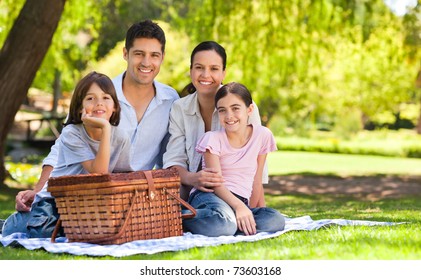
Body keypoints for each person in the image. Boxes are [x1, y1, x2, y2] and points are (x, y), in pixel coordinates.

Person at [12, 20, 179, 215]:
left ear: (162, 58)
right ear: (125, 54)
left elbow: (169, 156)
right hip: (87, 193)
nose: (146, 62)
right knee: (39, 225)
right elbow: (62, 145)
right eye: (139, 54)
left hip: (133, 196)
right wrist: (39, 190)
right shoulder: (100, 96)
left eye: (154, 55)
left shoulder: (170, 100)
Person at [2, 71, 132, 237]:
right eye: (90, 98)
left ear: (114, 107)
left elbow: (124, 175)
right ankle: (12, 223)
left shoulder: (121, 137)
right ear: (79, 109)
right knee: (43, 231)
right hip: (57, 199)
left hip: (90, 202)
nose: (99, 103)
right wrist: (105, 128)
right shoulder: (72, 133)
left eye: (106, 98)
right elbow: (98, 173)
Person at [163, 41, 266, 203]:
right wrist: (192, 178)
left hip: (235, 194)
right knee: (219, 222)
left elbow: (256, 173)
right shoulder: (180, 108)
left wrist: (254, 212)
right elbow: (174, 161)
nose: (205, 74)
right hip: (195, 193)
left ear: (224, 73)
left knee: (270, 220)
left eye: (214, 69)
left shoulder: (243, 109)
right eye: (199, 67)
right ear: (191, 71)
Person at [183, 82, 285, 236]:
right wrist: (239, 207)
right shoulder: (212, 139)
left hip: (239, 201)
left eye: (235, 108)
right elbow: (215, 184)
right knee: (224, 225)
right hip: (210, 196)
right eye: (223, 110)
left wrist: (254, 211)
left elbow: (256, 180)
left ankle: (228, 224)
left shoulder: (263, 135)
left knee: (275, 220)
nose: (229, 116)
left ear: (249, 109)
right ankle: (179, 216)